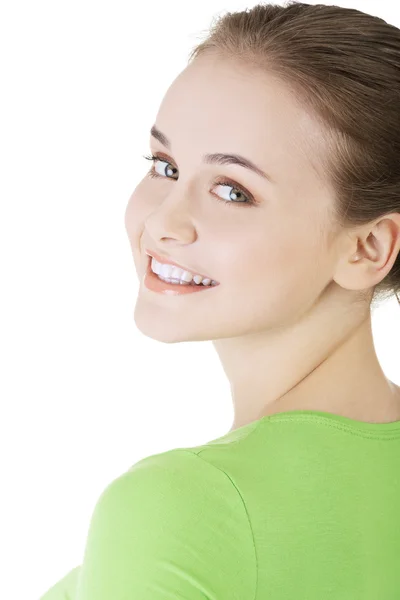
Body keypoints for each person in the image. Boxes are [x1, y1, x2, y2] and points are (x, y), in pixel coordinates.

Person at [40, 2, 400, 598]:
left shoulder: (182, 504)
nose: (163, 222)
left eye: (233, 190)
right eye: (164, 164)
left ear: (366, 247)